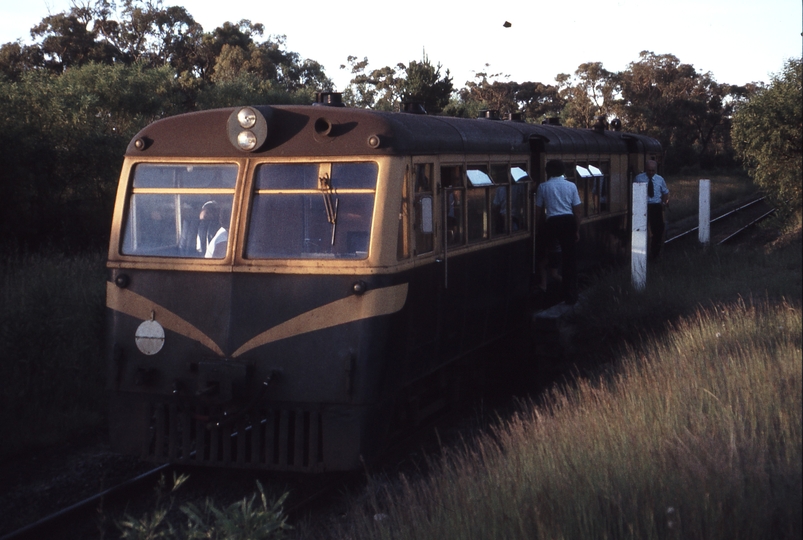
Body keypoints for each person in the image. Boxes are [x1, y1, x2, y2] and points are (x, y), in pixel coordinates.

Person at [535, 159, 583, 305]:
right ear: (563, 171)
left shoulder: (543, 187)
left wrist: (540, 229)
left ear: (548, 172)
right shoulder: (571, 186)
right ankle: (570, 295)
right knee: (570, 260)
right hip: (568, 222)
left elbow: (538, 212)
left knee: (548, 253)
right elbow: (578, 211)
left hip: (552, 222)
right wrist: (576, 229)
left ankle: (544, 283)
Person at [634, 160, 670, 260]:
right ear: (646, 169)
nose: (650, 172)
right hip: (642, 206)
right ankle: (640, 253)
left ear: (655, 170)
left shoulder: (660, 179)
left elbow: (665, 192)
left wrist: (663, 203)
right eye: (649, 170)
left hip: (655, 206)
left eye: (652, 171)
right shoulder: (639, 178)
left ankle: (655, 253)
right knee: (640, 230)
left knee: (658, 230)